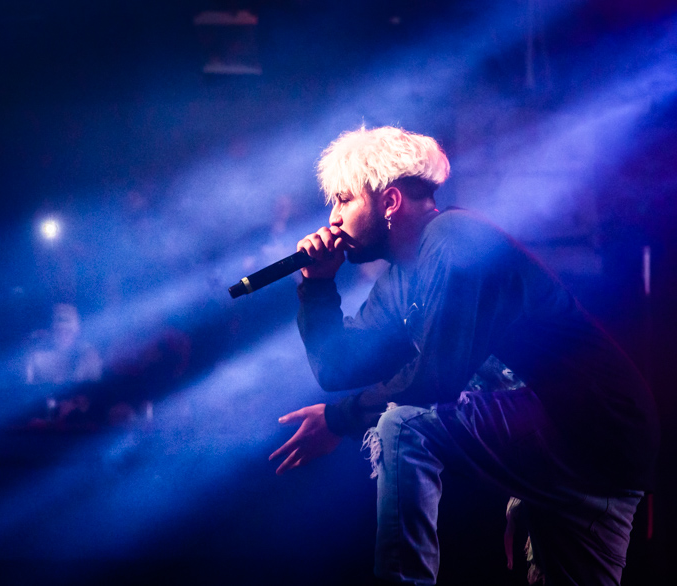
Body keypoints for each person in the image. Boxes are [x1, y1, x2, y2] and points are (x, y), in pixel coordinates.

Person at [268, 126, 659, 585]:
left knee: (403, 425)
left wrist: (339, 420)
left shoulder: (456, 240)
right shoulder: (402, 279)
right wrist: (316, 287)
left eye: (343, 199)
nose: (333, 218)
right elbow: (339, 366)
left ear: (389, 202)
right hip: (588, 455)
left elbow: (434, 379)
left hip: (596, 433)